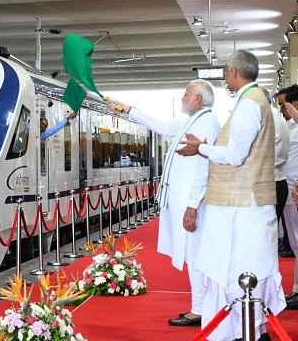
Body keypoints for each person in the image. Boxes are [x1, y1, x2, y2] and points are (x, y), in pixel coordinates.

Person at [177, 50, 286, 340]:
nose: (226, 78)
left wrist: (200, 148)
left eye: (226, 72)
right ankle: (245, 328)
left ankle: (243, 330)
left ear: (233, 72)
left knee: (235, 268)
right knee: (245, 267)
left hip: (242, 205)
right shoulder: (258, 101)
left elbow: (236, 155)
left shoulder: (249, 104)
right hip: (247, 202)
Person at [108, 79, 220, 327]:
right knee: (193, 256)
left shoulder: (207, 123)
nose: (182, 97)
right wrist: (129, 110)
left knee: (197, 256)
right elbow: (162, 127)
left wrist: (192, 205)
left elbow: (205, 167)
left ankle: (202, 310)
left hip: (194, 203)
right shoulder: (193, 120)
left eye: (186, 94)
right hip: (184, 201)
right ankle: (201, 307)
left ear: (198, 99)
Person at [277, 86, 298, 309]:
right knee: (295, 242)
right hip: (289, 190)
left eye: (283, 104)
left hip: (296, 189)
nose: (281, 109)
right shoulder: (289, 127)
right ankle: (296, 289)